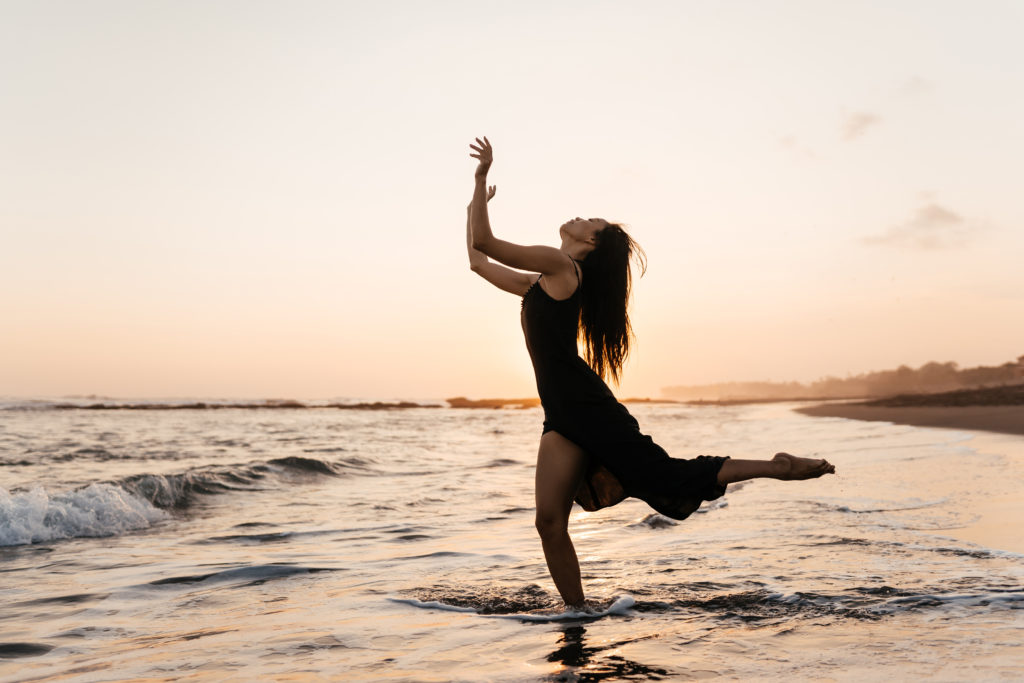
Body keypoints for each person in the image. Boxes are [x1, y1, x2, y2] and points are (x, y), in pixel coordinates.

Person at [465, 136, 835, 610]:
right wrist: (473, 200)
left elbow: (485, 241)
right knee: (548, 522)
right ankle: (578, 616)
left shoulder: (560, 266)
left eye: (589, 220)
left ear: (590, 243)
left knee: (666, 477)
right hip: (563, 413)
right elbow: (477, 261)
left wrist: (479, 179)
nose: (579, 216)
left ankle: (779, 467)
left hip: (587, 410)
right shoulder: (542, 282)